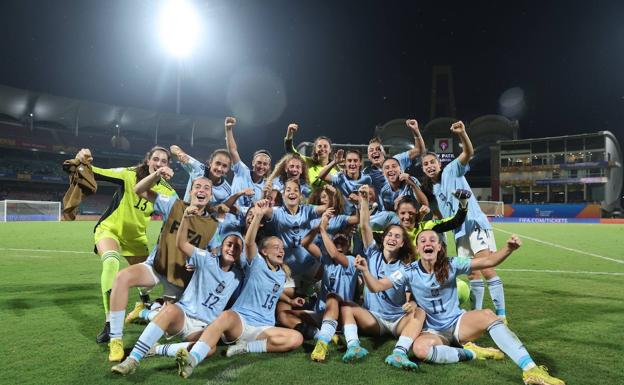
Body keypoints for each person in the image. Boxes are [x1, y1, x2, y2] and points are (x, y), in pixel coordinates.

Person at [357, 230, 565, 385]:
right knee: (420, 350)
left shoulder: (452, 263)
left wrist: (508, 248)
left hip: (458, 323)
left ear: (439, 247)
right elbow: (376, 286)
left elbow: (489, 260)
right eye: (422, 240)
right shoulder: (408, 271)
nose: (427, 243)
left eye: (432, 240)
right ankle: (472, 353)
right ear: (418, 248)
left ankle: (531, 370)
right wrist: (366, 271)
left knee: (487, 315)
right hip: (432, 331)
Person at [174, 202, 303, 379]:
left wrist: (290, 301)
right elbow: (249, 241)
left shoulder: (282, 274)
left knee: (296, 338)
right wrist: (257, 216)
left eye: (282, 248)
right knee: (226, 315)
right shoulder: (256, 263)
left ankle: (245, 347)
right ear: (264, 251)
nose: (281, 250)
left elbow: (270, 292)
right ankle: (193, 359)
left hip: (263, 327)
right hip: (241, 321)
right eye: (276, 247)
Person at [110, 209, 244, 375]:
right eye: (229, 244)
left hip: (202, 327)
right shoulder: (206, 258)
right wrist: (186, 218)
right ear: (221, 246)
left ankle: (157, 349)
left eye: (237, 247)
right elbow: (181, 244)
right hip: (184, 316)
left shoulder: (239, 275)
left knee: (209, 348)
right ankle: (132, 360)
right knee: (170, 309)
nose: (232, 249)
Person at [107, 174, 219, 361]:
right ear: (190, 191)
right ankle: (115, 339)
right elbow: (139, 190)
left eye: (206, 188)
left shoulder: (213, 225)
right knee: (122, 277)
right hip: (156, 267)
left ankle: (145, 312)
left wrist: (199, 267)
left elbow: (213, 260)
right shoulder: (174, 204)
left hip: (181, 281)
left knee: (173, 327)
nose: (201, 190)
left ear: (211, 195)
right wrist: (157, 174)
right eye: (197, 186)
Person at [75, 146, 177, 343]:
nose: (158, 163)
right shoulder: (128, 174)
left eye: (163, 161)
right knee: (111, 262)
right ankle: (109, 323)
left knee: (147, 277)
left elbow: (180, 214)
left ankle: (143, 302)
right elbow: (94, 172)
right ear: (148, 160)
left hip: (136, 238)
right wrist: (82, 160)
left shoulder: (167, 190)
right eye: (155, 159)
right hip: (109, 229)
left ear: (168, 166)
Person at [421, 121, 506, 320]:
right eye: (425, 164)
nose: (429, 166)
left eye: (432, 162)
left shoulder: (452, 170)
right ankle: (476, 313)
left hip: (475, 223)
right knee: (472, 273)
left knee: (485, 267)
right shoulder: (433, 189)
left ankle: (502, 314)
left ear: (439, 164)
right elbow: (443, 214)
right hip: (459, 231)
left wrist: (462, 134)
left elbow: (468, 152)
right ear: (423, 169)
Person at [339, 185, 426, 369]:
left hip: (397, 320)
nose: (392, 238)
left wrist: (412, 304)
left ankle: (399, 353)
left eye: (397, 236)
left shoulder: (406, 266)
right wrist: (363, 201)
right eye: (389, 235)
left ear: (403, 243)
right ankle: (354, 346)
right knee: (346, 306)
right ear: (384, 238)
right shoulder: (372, 253)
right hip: (374, 318)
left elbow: (380, 287)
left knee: (420, 313)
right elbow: (364, 226)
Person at [363, 119, 426, 196]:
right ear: (369, 157)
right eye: (371, 150)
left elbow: (419, 150)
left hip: (404, 206)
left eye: (378, 149)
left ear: (384, 152)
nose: (375, 152)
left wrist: (415, 130)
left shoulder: (397, 160)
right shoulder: (366, 173)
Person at [224, 116, 272, 207]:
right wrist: (228, 129)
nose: (261, 166)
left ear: (268, 167)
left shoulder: (266, 187)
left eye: (265, 164)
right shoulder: (242, 170)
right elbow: (233, 150)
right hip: (230, 217)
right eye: (259, 162)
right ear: (253, 163)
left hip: (248, 220)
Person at [317, 148, 372, 214]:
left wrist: (359, 200)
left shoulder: (367, 179)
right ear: (345, 163)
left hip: (362, 217)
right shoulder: (340, 178)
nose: (352, 163)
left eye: (355, 160)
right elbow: (321, 175)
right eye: (349, 160)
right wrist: (334, 162)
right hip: (343, 218)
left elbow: (372, 201)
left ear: (360, 163)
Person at [284, 123, 337, 190]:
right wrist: (289, 134)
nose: (322, 149)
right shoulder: (307, 162)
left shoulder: (336, 170)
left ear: (330, 150)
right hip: (309, 199)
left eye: (325, 146)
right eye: (319, 146)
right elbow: (290, 152)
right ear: (315, 149)